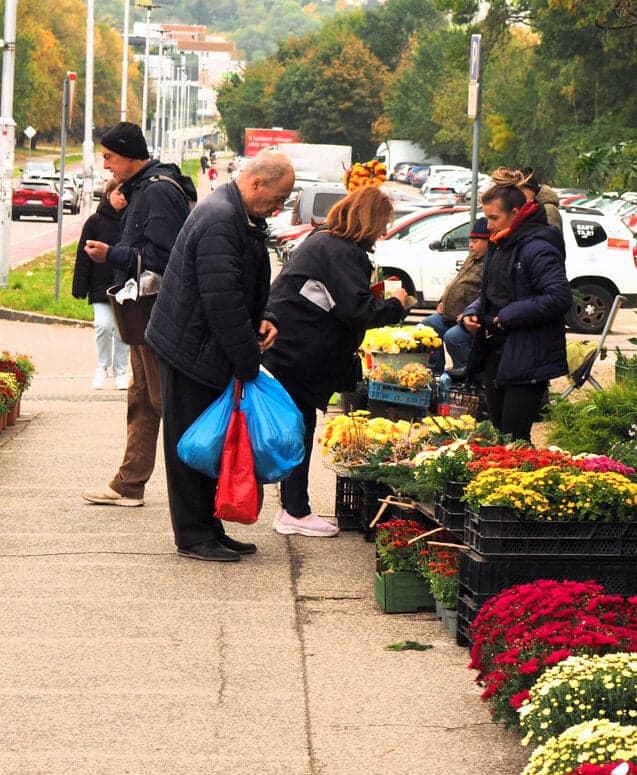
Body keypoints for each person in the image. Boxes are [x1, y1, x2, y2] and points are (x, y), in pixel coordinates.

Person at [144, 150, 295, 562]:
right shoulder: (220, 220)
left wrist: (265, 316)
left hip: (204, 348)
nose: (280, 208)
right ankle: (192, 535)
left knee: (212, 442)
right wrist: (248, 362)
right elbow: (222, 302)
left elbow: (243, 285)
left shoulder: (240, 214)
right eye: (279, 198)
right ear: (257, 183)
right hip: (189, 351)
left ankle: (210, 526)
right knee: (191, 444)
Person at [262, 186, 417, 537]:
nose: (383, 232)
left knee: (295, 428)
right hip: (300, 354)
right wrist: (397, 304)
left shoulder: (323, 242)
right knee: (298, 430)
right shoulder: (343, 252)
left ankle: (293, 508)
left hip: (289, 349)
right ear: (368, 220)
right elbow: (356, 311)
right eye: (382, 224)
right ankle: (295, 512)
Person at [81, 122, 197, 508]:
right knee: (143, 400)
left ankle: (198, 492)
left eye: (110, 156)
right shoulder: (144, 188)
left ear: (130, 155)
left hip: (154, 312)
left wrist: (110, 255)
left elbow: (164, 259)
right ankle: (129, 484)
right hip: (141, 312)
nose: (106, 164)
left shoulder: (158, 192)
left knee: (166, 402)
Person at [461, 170, 571, 441]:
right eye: (487, 217)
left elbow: (559, 297)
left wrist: (508, 315)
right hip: (497, 351)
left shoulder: (538, 246)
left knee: (515, 437)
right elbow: (495, 292)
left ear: (516, 212)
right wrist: (474, 310)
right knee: (500, 433)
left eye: (493, 218)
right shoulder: (500, 245)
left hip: (528, 354)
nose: (488, 225)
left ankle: (523, 480)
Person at [71, 178, 130, 391]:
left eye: (126, 194)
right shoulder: (95, 222)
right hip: (99, 285)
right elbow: (83, 255)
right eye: (119, 194)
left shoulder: (133, 221)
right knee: (103, 326)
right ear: (108, 194)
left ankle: (121, 372)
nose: (123, 198)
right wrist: (79, 286)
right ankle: (102, 367)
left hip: (125, 286)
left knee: (122, 331)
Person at [421, 216, 487, 376]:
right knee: (427, 327)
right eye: (471, 240)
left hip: (469, 320)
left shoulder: (490, 262)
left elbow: (485, 295)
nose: (470, 245)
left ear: (489, 242)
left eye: (476, 241)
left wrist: (468, 314)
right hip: (449, 316)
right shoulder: (472, 258)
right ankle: (435, 373)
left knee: (453, 337)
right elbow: (456, 281)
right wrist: (443, 300)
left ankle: (467, 376)